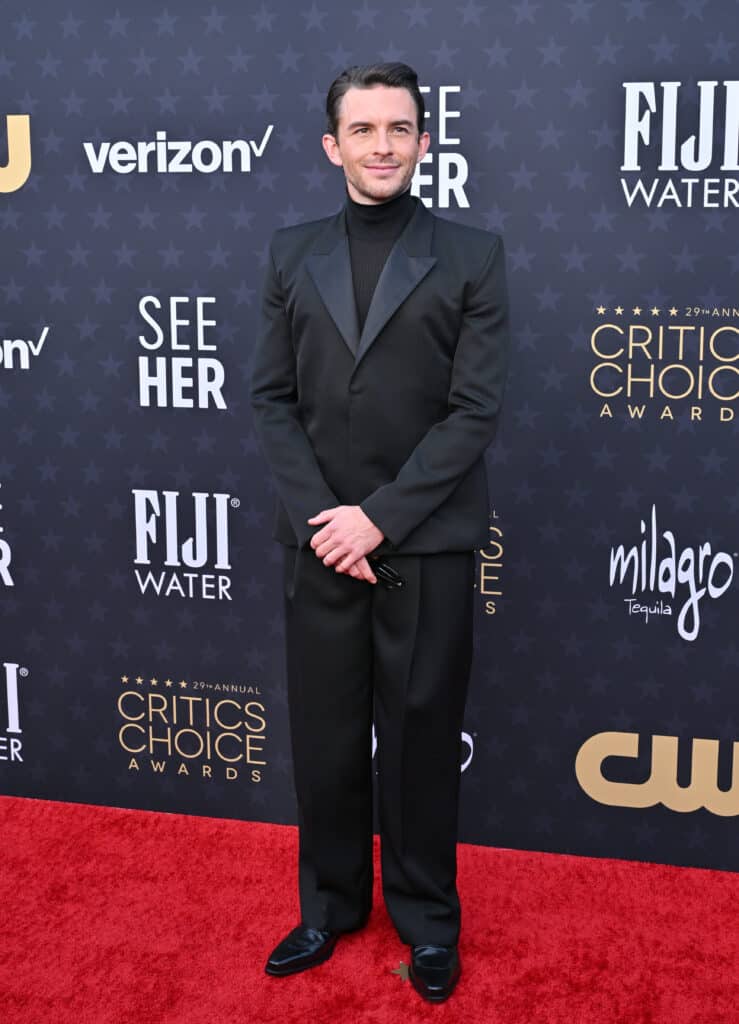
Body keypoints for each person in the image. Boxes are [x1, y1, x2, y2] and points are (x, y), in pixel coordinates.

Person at [249, 61, 509, 1003]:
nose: (382, 146)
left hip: (424, 545)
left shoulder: (473, 256)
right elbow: (270, 400)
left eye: (398, 128)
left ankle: (427, 921)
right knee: (323, 739)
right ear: (333, 147)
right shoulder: (289, 254)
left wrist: (378, 520)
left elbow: (474, 411)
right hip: (317, 539)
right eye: (362, 130)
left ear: (424, 141)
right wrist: (329, 521)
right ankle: (327, 907)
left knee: (420, 739)